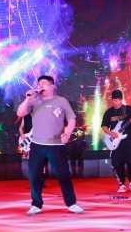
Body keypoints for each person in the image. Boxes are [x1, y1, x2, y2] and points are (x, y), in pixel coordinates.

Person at [16, 75, 84, 215]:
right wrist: (28, 98)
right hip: (37, 145)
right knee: (35, 175)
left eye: (44, 83)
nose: (41, 86)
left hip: (56, 145)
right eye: (39, 84)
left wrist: (67, 134)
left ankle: (71, 203)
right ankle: (36, 205)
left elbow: (71, 119)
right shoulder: (34, 101)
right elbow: (20, 112)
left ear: (52, 86)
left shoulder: (61, 101)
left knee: (63, 174)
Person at [101, 89, 131, 193]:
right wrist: (110, 133)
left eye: (119, 100)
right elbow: (104, 126)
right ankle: (122, 185)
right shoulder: (109, 112)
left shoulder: (129, 109)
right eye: (115, 100)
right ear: (112, 100)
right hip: (115, 143)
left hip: (129, 142)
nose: (118, 102)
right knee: (117, 164)